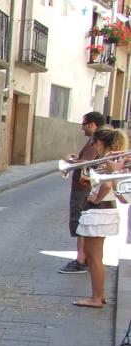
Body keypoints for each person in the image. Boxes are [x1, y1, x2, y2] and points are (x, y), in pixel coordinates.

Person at [72, 127, 128, 308]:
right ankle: (99, 295)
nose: (92, 145)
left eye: (94, 142)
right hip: (101, 211)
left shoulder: (112, 159)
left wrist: (94, 198)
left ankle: (97, 297)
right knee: (93, 255)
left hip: (100, 211)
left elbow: (108, 184)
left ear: (102, 142)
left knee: (94, 257)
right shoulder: (109, 159)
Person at [59, 112, 106, 274]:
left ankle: (81, 260)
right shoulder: (96, 140)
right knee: (82, 223)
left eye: (84, 124)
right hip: (85, 186)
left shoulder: (95, 141)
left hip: (84, 187)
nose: (82, 128)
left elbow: (88, 163)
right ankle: (83, 258)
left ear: (92, 125)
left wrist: (70, 161)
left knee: (81, 223)